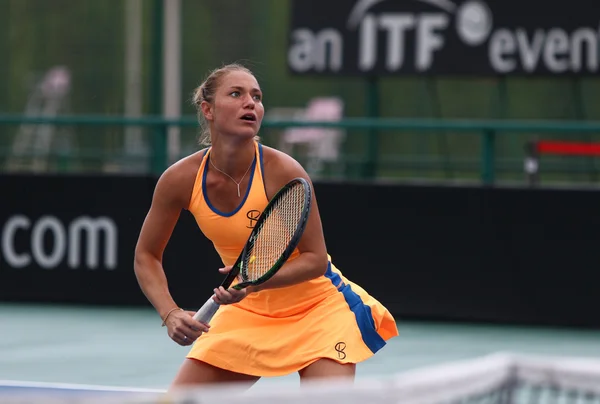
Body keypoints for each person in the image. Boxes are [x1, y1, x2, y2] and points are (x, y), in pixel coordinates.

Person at [133, 63, 399, 390]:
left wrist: (256, 283)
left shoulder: (282, 170)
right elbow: (146, 255)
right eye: (236, 94)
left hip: (318, 311)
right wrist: (170, 312)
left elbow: (315, 259)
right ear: (208, 110)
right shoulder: (180, 180)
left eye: (257, 97)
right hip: (246, 313)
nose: (251, 103)